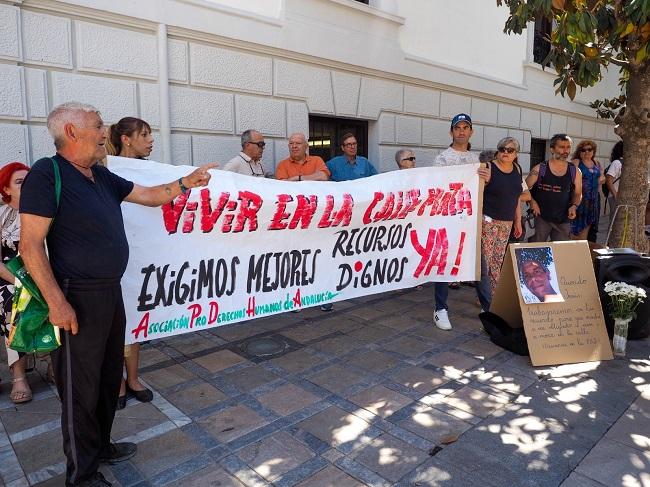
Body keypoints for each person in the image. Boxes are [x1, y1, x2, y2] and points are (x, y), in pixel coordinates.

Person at [19, 102, 217, 487]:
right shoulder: (48, 174)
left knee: (109, 378)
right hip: (76, 298)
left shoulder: (100, 176)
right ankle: (82, 474)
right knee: (81, 389)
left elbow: (149, 195)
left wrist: (185, 183)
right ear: (73, 132)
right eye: (98, 125)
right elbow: (30, 247)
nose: (104, 131)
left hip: (110, 293)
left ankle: (101, 445)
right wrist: (57, 302)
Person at [105, 117, 156, 410]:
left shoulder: (152, 169)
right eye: (145, 135)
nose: (150, 140)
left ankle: (134, 378)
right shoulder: (107, 169)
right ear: (127, 139)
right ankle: (118, 381)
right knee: (116, 322)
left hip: (143, 253)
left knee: (135, 319)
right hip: (116, 254)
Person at [431, 113, 490, 330]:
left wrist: (486, 177)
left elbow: (483, 188)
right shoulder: (442, 158)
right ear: (452, 132)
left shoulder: (477, 160)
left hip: (471, 219)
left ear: (471, 132)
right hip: (448, 218)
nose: (462, 131)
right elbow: (438, 187)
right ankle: (440, 309)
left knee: (479, 264)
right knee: (444, 263)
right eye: (458, 128)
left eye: (466, 127)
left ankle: (487, 307)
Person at [276, 133, 333, 311]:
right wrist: (310, 178)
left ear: (306, 146)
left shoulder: (317, 160)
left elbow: (324, 176)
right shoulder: (283, 165)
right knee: (296, 260)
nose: (294, 146)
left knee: (321, 259)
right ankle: (296, 298)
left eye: (298, 143)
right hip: (294, 222)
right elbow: (281, 187)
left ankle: (323, 296)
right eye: (291, 143)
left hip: (317, 220)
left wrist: (297, 179)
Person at [476, 138, 530, 311]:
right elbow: (476, 193)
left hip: (506, 223)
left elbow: (517, 197)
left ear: (516, 154)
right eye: (502, 149)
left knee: (497, 261)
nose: (506, 152)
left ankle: (493, 298)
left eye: (510, 150)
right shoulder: (489, 167)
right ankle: (487, 302)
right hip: (488, 222)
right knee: (486, 262)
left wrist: (517, 221)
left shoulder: (517, 169)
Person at [0, 162, 34, 404]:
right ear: (6, 189)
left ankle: (55, 363)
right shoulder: (1, 216)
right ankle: (19, 375)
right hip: (9, 277)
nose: (28, 186)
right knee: (12, 300)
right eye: (20, 182)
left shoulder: (44, 211)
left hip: (43, 274)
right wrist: (21, 283)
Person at [526, 133, 582, 242]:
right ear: (552, 149)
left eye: (568, 147)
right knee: (535, 252)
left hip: (563, 219)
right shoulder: (539, 169)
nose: (565, 151)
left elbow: (578, 193)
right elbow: (523, 188)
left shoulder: (575, 171)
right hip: (540, 218)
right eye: (561, 147)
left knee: (561, 253)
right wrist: (532, 202)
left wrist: (574, 206)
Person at [570, 140, 604, 241]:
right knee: (574, 229)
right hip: (579, 200)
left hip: (593, 200)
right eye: (583, 150)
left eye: (589, 149)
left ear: (593, 151)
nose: (587, 152)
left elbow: (603, 177)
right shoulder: (576, 162)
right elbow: (569, 180)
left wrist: (601, 179)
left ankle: (581, 252)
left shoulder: (596, 163)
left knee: (587, 226)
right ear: (580, 152)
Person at [605, 141, 623, 218]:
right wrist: (616, 195)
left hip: (621, 197)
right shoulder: (617, 163)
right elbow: (609, 180)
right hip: (615, 196)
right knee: (615, 221)